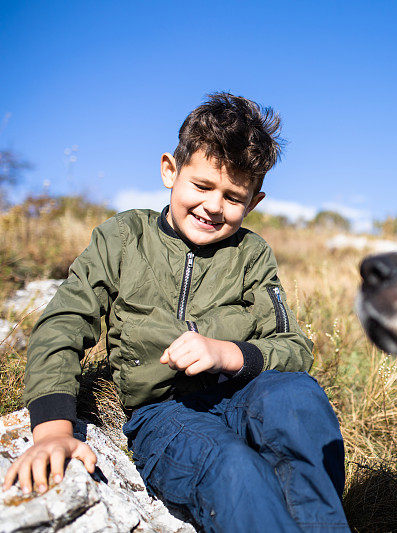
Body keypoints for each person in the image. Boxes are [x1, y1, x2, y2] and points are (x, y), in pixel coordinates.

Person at [3, 93, 349, 532]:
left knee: (298, 400)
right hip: (162, 413)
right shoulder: (124, 236)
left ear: (254, 202)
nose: (213, 206)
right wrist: (53, 431)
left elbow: (294, 348)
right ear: (170, 170)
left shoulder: (253, 254)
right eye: (202, 186)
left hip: (244, 395)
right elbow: (63, 323)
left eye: (233, 196)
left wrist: (229, 354)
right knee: (235, 470)